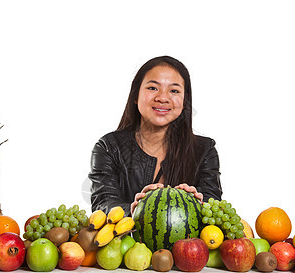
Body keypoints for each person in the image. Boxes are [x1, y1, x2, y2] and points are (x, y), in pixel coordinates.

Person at [89, 55, 222, 216]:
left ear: (184, 101)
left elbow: (213, 203)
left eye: (174, 90)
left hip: (187, 241)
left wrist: (200, 204)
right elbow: (103, 203)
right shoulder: (109, 147)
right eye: (153, 88)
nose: (163, 98)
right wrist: (133, 209)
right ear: (135, 96)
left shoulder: (205, 150)